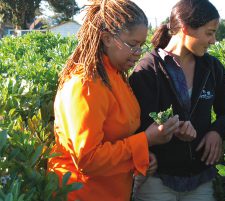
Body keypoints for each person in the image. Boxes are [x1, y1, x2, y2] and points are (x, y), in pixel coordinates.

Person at [47, 0, 179, 200]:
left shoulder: (114, 75)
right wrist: (145, 140)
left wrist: (139, 155)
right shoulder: (86, 83)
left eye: (141, 46)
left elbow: (117, 137)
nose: (138, 53)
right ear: (107, 38)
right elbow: (88, 159)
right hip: (83, 194)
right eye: (133, 45)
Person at [129, 0, 225, 200]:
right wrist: (170, 131)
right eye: (209, 32)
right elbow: (134, 126)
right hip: (156, 178)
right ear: (185, 28)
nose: (213, 40)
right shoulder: (147, 70)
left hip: (200, 178)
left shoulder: (213, 68)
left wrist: (217, 132)